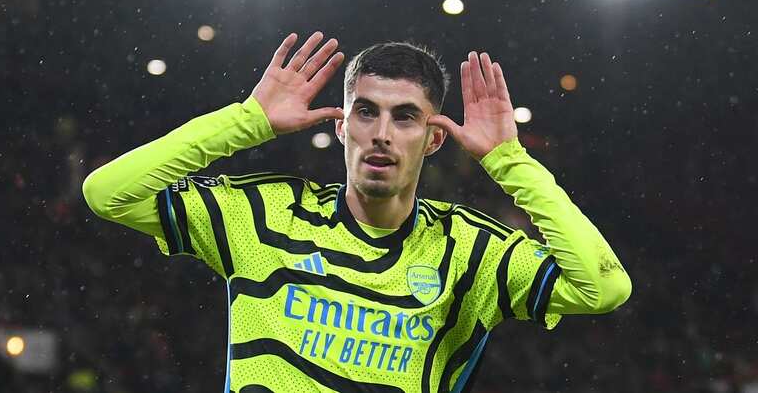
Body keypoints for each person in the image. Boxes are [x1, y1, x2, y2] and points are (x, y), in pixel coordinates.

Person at [82, 31, 632, 392]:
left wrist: (511, 162)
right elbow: (109, 193)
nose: (382, 135)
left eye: (406, 117)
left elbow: (602, 287)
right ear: (342, 126)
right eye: (365, 113)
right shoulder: (264, 215)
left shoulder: (470, 251)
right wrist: (247, 121)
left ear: (434, 138)